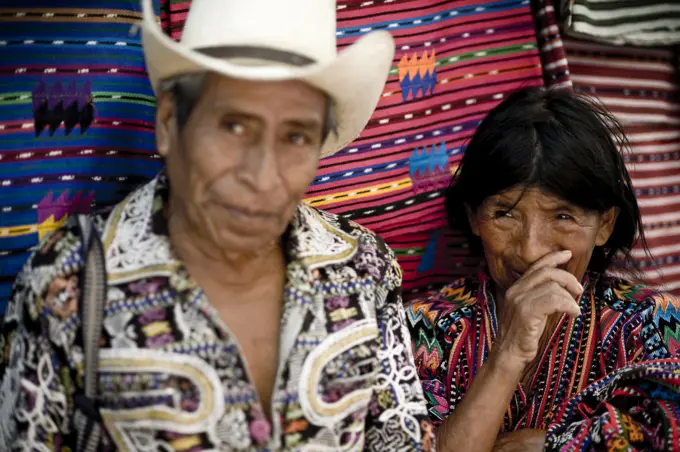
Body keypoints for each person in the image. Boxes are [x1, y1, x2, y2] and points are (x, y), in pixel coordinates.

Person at [0, 0, 435, 450]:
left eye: (296, 136)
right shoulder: (70, 279)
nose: (263, 176)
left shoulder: (362, 263)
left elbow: (402, 439)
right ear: (169, 122)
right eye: (233, 126)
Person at [407, 86, 680, 451]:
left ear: (605, 226)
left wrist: (550, 445)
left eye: (563, 216)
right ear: (474, 217)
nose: (531, 249)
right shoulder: (424, 329)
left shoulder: (652, 324)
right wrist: (507, 355)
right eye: (504, 213)